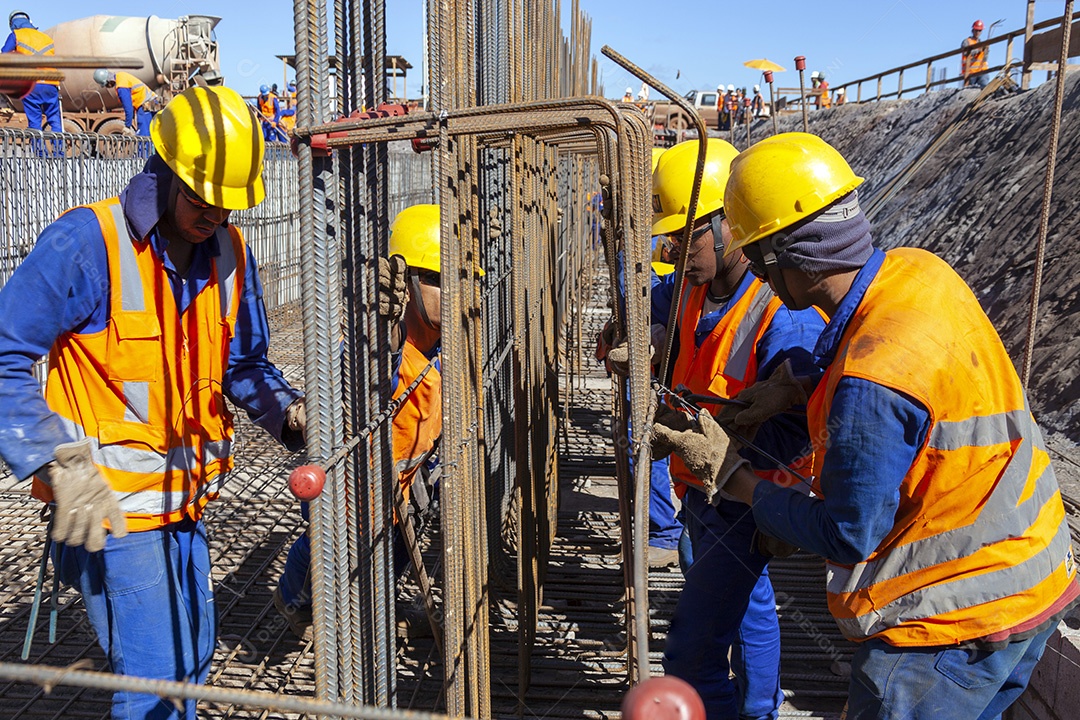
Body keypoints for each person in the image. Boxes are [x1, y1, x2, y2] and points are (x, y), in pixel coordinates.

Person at [660, 131, 1080, 719]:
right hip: (1034, 577)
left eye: (759, 257)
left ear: (789, 258)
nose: (756, 272)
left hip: (948, 621)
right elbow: (918, 393)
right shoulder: (918, 274)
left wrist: (734, 477)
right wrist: (799, 387)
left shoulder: (871, 381)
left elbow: (847, 534)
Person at [0, 85, 306, 718]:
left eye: (227, 205)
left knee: (191, 663)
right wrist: (55, 460)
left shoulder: (229, 251)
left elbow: (244, 364)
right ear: (163, 171)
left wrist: (289, 413)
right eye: (202, 199)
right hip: (107, 510)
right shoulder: (89, 243)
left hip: (183, 506)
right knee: (158, 683)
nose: (215, 216)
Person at [646, 138, 826, 720]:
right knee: (746, 608)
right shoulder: (695, 286)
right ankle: (758, 709)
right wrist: (643, 325)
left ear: (734, 226)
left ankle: (750, 711)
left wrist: (723, 442)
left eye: (690, 234)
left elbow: (798, 433)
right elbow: (661, 296)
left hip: (747, 492)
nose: (677, 249)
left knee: (695, 648)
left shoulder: (785, 314)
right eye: (671, 236)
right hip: (701, 486)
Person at [275, 204, 447, 638]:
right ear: (405, 286)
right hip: (350, 490)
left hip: (404, 481)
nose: (453, 293)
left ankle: (375, 609)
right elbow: (370, 374)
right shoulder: (379, 348)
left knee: (395, 554)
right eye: (437, 280)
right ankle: (295, 602)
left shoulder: (444, 345)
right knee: (327, 553)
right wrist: (382, 332)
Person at [3, 11, 62, 132]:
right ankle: (59, 151)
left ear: (12, 24)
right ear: (29, 22)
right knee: (55, 121)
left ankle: (39, 151)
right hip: (51, 83)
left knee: (35, 122)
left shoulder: (16, 35)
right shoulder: (46, 37)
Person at [93, 69, 159, 136]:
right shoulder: (120, 75)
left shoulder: (121, 86)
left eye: (106, 85)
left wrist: (127, 126)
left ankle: (145, 147)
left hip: (145, 106)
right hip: (152, 103)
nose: (108, 87)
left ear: (108, 81)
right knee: (153, 133)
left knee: (144, 135)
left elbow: (128, 107)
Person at [962, 19, 990, 88]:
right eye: (976, 30)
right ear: (973, 30)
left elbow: (985, 58)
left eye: (979, 30)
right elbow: (966, 53)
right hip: (970, 72)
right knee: (969, 91)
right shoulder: (967, 41)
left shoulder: (982, 43)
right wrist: (978, 50)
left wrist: (986, 50)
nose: (977, 32)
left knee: (984, 89)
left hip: (982, 71)